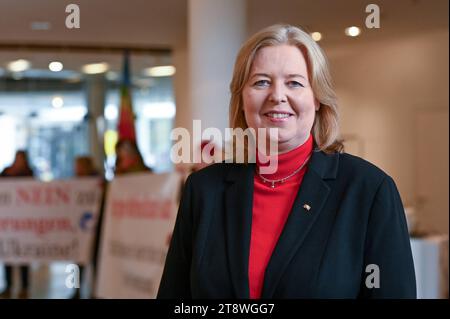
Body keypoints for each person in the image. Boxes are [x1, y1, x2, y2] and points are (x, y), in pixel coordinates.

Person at [157, 24, 416, 299]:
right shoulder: (203, 190)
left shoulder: (369, 191)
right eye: (261, 82)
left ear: (317, 98)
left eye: (294, 82)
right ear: (241, 99)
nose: (277, 96)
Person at [0, 150, 34, 299]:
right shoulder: (6, 172)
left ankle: (24, 287)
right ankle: (9, 286)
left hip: (24, 222)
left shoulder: (29, 174)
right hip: (9, 222)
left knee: (23, 256)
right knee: (8, 253)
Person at [72, 156, 99, 299]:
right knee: (77, 263)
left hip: (93, 230)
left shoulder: (97, 182)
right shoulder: (75, 183)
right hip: (78, 231)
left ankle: (96, 290)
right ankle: (76, 290)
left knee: (95, 262)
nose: (76, 169)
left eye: (79, 166)